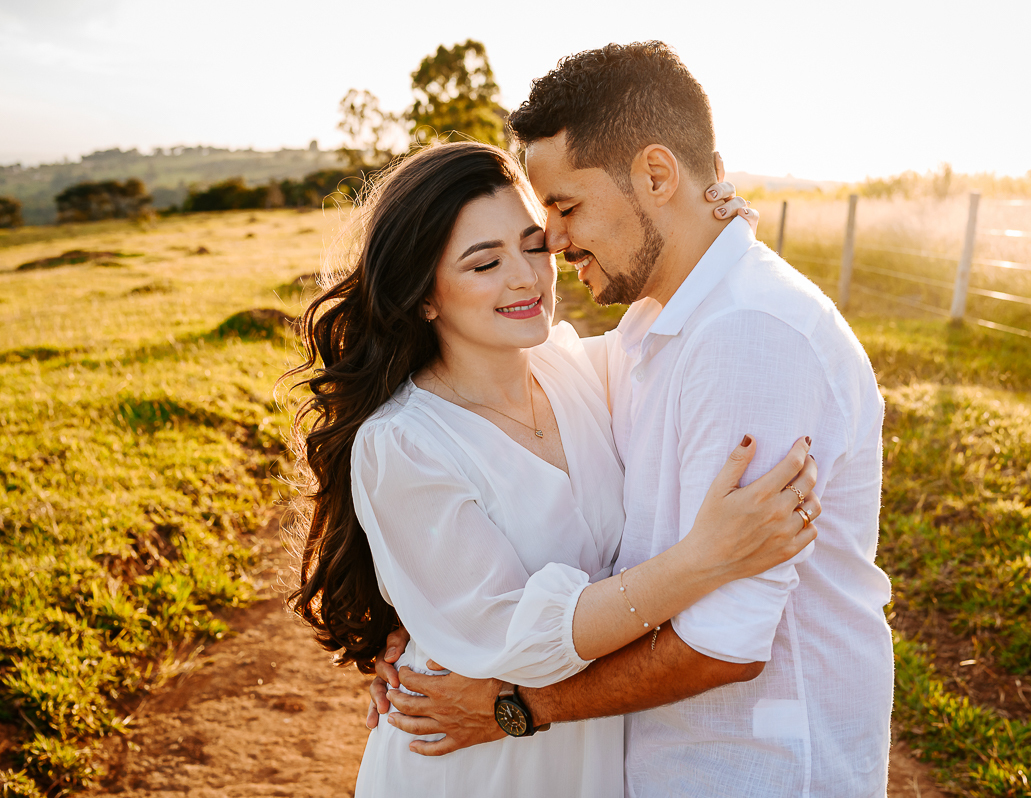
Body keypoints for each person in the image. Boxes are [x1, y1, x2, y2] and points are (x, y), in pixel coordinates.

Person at [371, 41, 895, 797]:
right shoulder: (647, 334)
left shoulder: (748, 334)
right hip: (668, 763)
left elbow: (724, 646)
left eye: (565, 207)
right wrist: (433, 622)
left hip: (756, 768)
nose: (550, 240)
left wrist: (513, 707)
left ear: (655, 175)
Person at [287, 140, 822, 798]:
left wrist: (727, 210)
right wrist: (704, 561)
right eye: (485, 263)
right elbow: (513, 639)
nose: (526, 277)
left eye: (532, 246)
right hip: (470, 758)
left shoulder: (579, 370)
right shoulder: (402, 443)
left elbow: (689, 292)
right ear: (424, 296)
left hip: (585, 747)